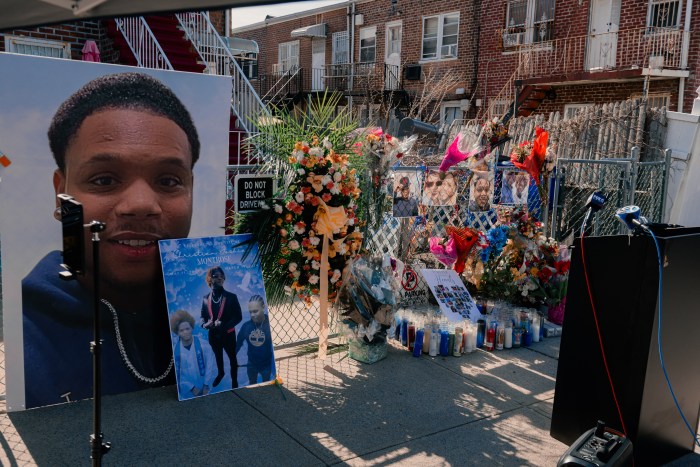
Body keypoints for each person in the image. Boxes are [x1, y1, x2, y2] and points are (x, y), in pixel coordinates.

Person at [21, 72, 200, 408]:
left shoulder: (213, 300)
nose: (141, 205)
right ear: (61, 193)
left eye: (168, 180)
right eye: (104, 179)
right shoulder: (28, 327)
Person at [200, 266, 243, 389]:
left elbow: (238, 317)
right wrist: (204, 324)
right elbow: (202, 316)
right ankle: (221, 373)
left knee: (232, 358)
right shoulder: (205, 298)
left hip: (228, 334)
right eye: (216, 276)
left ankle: (234, 382)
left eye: (221, 276)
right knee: (218, 356)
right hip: (213, 335)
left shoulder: (231, 297)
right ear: (209, 279)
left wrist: (224, 326)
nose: (220, 278)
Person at [170, 310, 217, 400]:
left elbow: (210, 365)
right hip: (187, 392)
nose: (185, 332)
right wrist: (190, 387)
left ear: (192, 328)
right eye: (181, 330)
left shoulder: (204, 345)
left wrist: (206, 384)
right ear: (177, 332)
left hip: (205, 388)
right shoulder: (175, 350)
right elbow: (178, 373)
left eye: (187, 329)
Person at [236, 295, 275, 385]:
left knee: (267, 386)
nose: (252, 315)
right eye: (250, 312)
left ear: (263, 307)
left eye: (255, 311)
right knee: (252, 385)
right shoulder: (246, 327)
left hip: (267, 364)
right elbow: (237, 344)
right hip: (251, 364)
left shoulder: (270, 323)